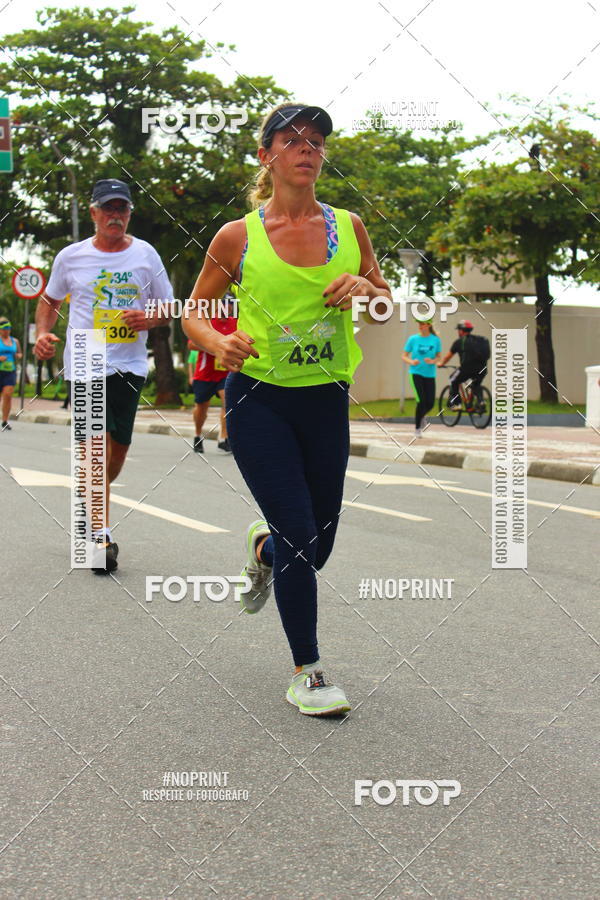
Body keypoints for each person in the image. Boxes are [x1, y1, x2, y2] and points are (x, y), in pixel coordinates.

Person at [183, 102, 391, 717]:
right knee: (301, 539)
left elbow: (385, 303)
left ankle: (263, 550)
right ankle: (309, 671)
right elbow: (193, 312)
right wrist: (219, 342)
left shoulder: (349, 228)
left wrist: (368, 290)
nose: (308, 148)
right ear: (266, 155)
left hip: (326, 402)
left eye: (317, 140)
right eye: (292, 139)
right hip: (258, 401)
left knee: (316, 545)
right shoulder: (238, 236)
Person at [34, 178, 173, 573]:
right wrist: (43, 333)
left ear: (130, 213)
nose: (116, 216)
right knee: (96, 447)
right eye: (108, 209)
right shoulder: (71, 257)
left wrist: (149, 317)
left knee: (116, 452)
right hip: (86, 355)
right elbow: (50, 299)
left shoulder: (146, 255)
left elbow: (169, 307)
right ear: (93, 213)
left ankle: (92, 500)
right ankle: (99, 537)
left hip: (130, 362)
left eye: (123, 209)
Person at [191, 292, 237, 454]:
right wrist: (214, 346)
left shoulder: (235, 323)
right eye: (224, 304)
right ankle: (197, 435)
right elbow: (191, 344)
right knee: (201, 407)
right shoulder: (208, 322)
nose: (227, 307)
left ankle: (223, 438)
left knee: (227, 400)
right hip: (205, 373)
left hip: (225, 372)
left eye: (230, 305)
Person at [438, 319, 490, 410]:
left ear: (461, 331)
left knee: (453, 379)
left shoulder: (459, 342)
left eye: (458, 330)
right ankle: (481, 401)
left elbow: (447, 357)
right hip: (482, 369)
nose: (458, 332)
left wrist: (441, 363)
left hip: (466, 369)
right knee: (476, 384)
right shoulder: (480, 340)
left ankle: (457, 404)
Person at [401, 319, 441, 437]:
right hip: (415, 373)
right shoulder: (413, 339)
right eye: (419, 324)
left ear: (428, 325)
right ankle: (417, 429)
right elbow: (403, 356)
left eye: (422, 324)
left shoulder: (436, 340)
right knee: (421, 401)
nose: (420, 326)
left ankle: (422, 416)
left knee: (430, 403)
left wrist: (433, 361)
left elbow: (439, 357)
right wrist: (412, 362)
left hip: (430, 374)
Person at [0, 317, 22, 431]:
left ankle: (4, 420)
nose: (7, 331)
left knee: (8, 395)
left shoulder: (15, 341)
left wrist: (18, 356)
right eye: (4, 329)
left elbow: (19, 353)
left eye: (8, 328)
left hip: (10, 371)